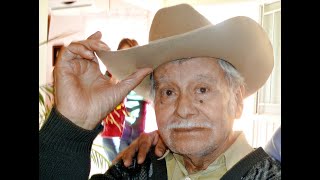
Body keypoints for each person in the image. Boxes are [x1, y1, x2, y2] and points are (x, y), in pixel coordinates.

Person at [39, 3, 281, 180]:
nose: (184, 109)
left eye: (202, 89)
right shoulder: (134, 170)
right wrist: (71, 127)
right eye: (168, 92)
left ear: (237, 100)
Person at [101, 38, 146, 162]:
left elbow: (150, 97)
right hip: (110, 131)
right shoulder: (110, 72)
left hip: (133, 132)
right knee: (114, 168)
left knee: (126, 169)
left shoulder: (142, 74)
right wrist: (115, 74)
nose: (125, 58)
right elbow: (103, 96)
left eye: (128, 53)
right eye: (121, 53)